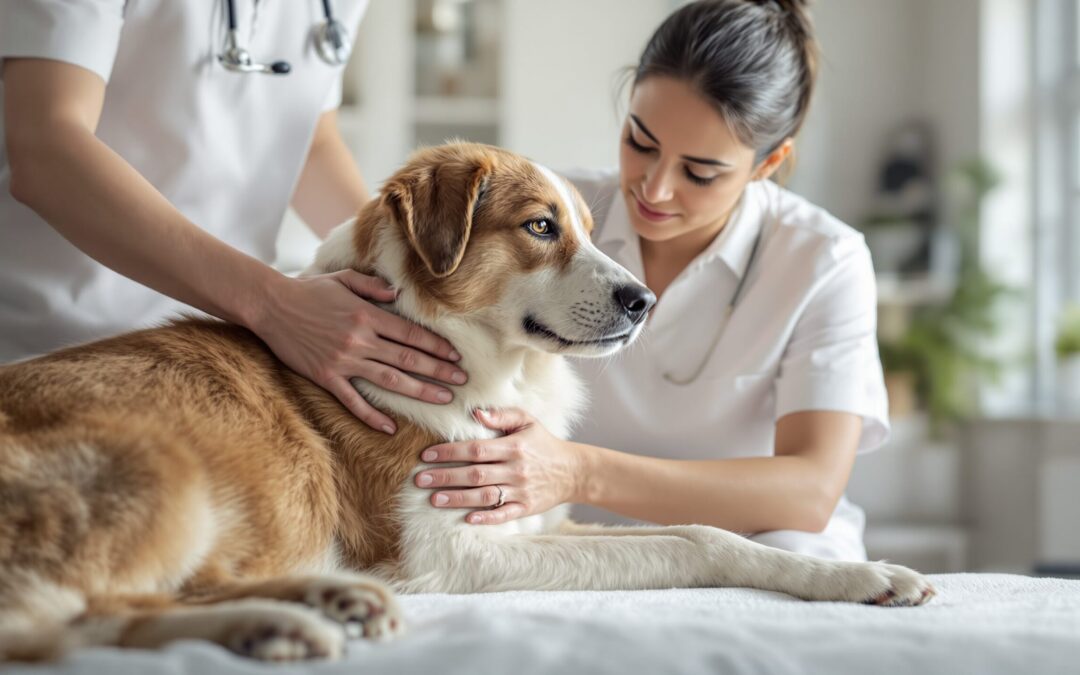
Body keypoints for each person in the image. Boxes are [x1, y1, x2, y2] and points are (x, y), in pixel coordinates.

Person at [411, 0, 890, 561]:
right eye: (640, 143)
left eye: (699, 172)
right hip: (586, 548)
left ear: (767, 163)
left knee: (793, 570)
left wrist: (578, 474)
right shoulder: (557, 215)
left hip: (764, 539)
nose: (655, 189)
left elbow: (808, 494)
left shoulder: (823, 260)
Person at [0, 0, 467, 435]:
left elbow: (309, 141)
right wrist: (274, 306)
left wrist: (416, 288)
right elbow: (47, 148)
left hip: (224, 354)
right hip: (50, 354)